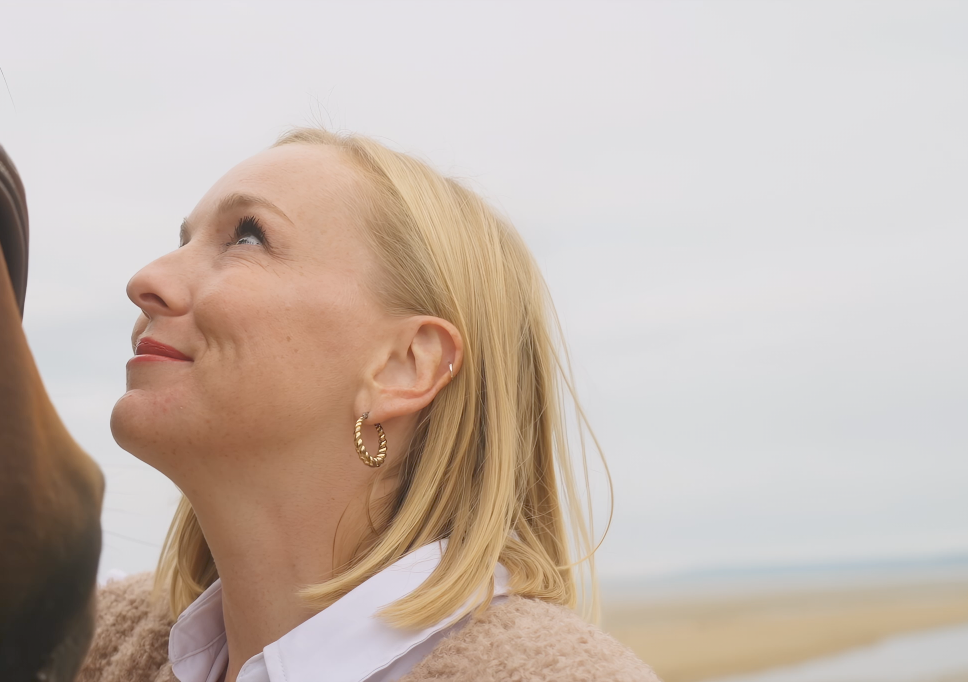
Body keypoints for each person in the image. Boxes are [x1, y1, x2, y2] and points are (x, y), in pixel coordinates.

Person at [80, 129, 658, 682]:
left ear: (404, 366)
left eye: (246, 236)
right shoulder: (88, 649)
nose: (147, 279)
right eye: (185, 240)